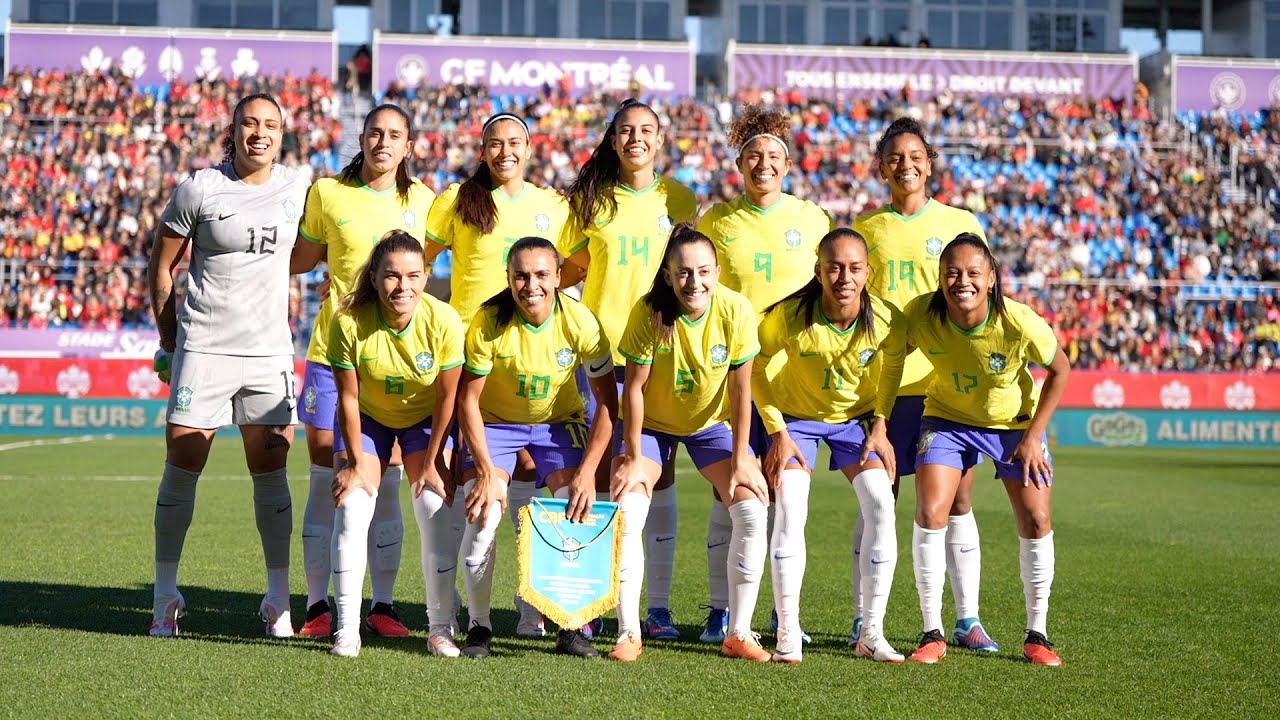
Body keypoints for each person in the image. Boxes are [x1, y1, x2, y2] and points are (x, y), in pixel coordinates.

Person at [146, 93, 310, 637]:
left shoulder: (300, 189)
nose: (259, 133)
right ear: (233, 130)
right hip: (205, 350)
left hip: (268, 354)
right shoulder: (200, 188)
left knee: (271, 474)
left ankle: (278, 600)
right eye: (249, 124)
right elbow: (162, 265)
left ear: (281, 135)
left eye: (270, 125)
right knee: (182, 465)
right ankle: (165, 596)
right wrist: (172, 341)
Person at [289, 104, 438, 639]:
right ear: (363, 137)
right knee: (329, 475)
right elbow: (299, 260)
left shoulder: (425, 201)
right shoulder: (328, 193)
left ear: (408, 146)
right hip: (334, 351)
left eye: (394, 134)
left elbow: (430, 273)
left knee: (388, 476)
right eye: (375, 132)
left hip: (396, 357)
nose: (383, 142)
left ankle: (383, 604)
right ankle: (314, 604)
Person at [425, 111, 573, 638]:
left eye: (514, 142)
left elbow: (573, 266)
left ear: (529, 148)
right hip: (470, 352)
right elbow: (420, 259)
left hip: (532, 353)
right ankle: (452, 610)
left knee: (534, 472)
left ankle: (531, 603)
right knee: (467, 479)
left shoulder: (552, 206)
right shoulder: (456, 201)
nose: (505, 151)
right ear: (482, 149)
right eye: (495, 143)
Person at [852, 116, 995, 651]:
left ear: (930, 162)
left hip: (948, 389)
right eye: (895, 156)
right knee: (876, 504)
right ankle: (865, 618)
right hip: (883, 387)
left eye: (915, 155)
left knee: (957, 504)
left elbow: (982, 300)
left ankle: (967, 618)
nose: (906, 164)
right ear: (881, 165)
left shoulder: (962, 223)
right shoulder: (868, 229)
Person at [560, 98, 698, 641]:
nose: (635, 138)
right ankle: (589, 607)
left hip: (664, 356)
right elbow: (567, 266)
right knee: (593, 478)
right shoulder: (591, 199)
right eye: (625, 130)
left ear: (659, 140)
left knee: (654, 480)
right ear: (613, 140)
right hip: (602, 357)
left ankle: (656, 610)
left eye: (646, 130)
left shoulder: (680, 198)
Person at [696, 104, 832, 644]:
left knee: (784, 494)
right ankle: (718, 609)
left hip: (794, 379)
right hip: (732, 374)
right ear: (739, 163)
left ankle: (778, 613)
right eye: (754, 155)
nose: (764, 163)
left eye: (773, 155)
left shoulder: (813, 219)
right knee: (729, 493)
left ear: (788, 163)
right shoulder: (717, 220)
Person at [901, 233, 1069, 667]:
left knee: (1037, 518)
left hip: (1013, 428)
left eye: (973, 272)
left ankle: (1038, 634)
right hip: (946, 419)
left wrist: (1034, 436)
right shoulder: (921, 314)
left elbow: (1060, 368)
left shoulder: (1018, 322)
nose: (962, 281)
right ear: (940, 278)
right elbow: (889, 355)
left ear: (991, 278)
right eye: (952, 272)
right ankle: (932, 630)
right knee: (931, 512)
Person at [609, 224, 769, 663]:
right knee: (628, 507)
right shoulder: (648, 313)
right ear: (667, 274)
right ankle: (628, 633)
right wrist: (632, 455)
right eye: (683, 273)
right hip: (653, 427)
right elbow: (635, 389)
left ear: (717, 272)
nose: (693, 282)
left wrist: (741, 458)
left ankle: (739, 632)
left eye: (702, 272)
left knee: (752, 507)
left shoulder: (736, 310)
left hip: (711, 426)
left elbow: (741, 391)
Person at [455, 237, 618, 659]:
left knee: (576, 509)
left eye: (542, 274)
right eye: (521, 275)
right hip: (495, 424)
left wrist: (586, 473)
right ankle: (479, 626)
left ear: (560, 277)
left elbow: (607, 405)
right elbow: (467, 400)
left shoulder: (582, 322)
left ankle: (571, 627)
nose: (532, 285)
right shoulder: (488, 320)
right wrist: (488, 471)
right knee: (484, 516)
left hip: (558, 425)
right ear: (508, 278)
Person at [753, 228, 907, 664]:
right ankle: (787, 632)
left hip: (854, 424)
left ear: (868, 273)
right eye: (834, 267)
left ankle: (871, 633)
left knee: (881, 503)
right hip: (796, 422)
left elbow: (892, 367)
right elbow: (755, 370)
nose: (844, 277)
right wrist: (777, 432)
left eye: (854, 268)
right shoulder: (787, 316)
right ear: (818, 271)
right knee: (791, 506)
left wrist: (880, 424)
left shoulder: (887, 319)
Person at [326, 231, 463, 658]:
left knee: (433, 505)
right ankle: (347, 630)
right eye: (391, 276)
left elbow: (447, 398)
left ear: (427, 276)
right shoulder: (348, 321)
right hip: (369, 420)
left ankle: (440, 627)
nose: (402, 287)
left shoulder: (444, 321)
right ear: (374, 277)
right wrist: (351, 462)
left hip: (425, 422)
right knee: (352, 505)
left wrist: (434, 461)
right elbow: (348, 397)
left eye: (413, 275)